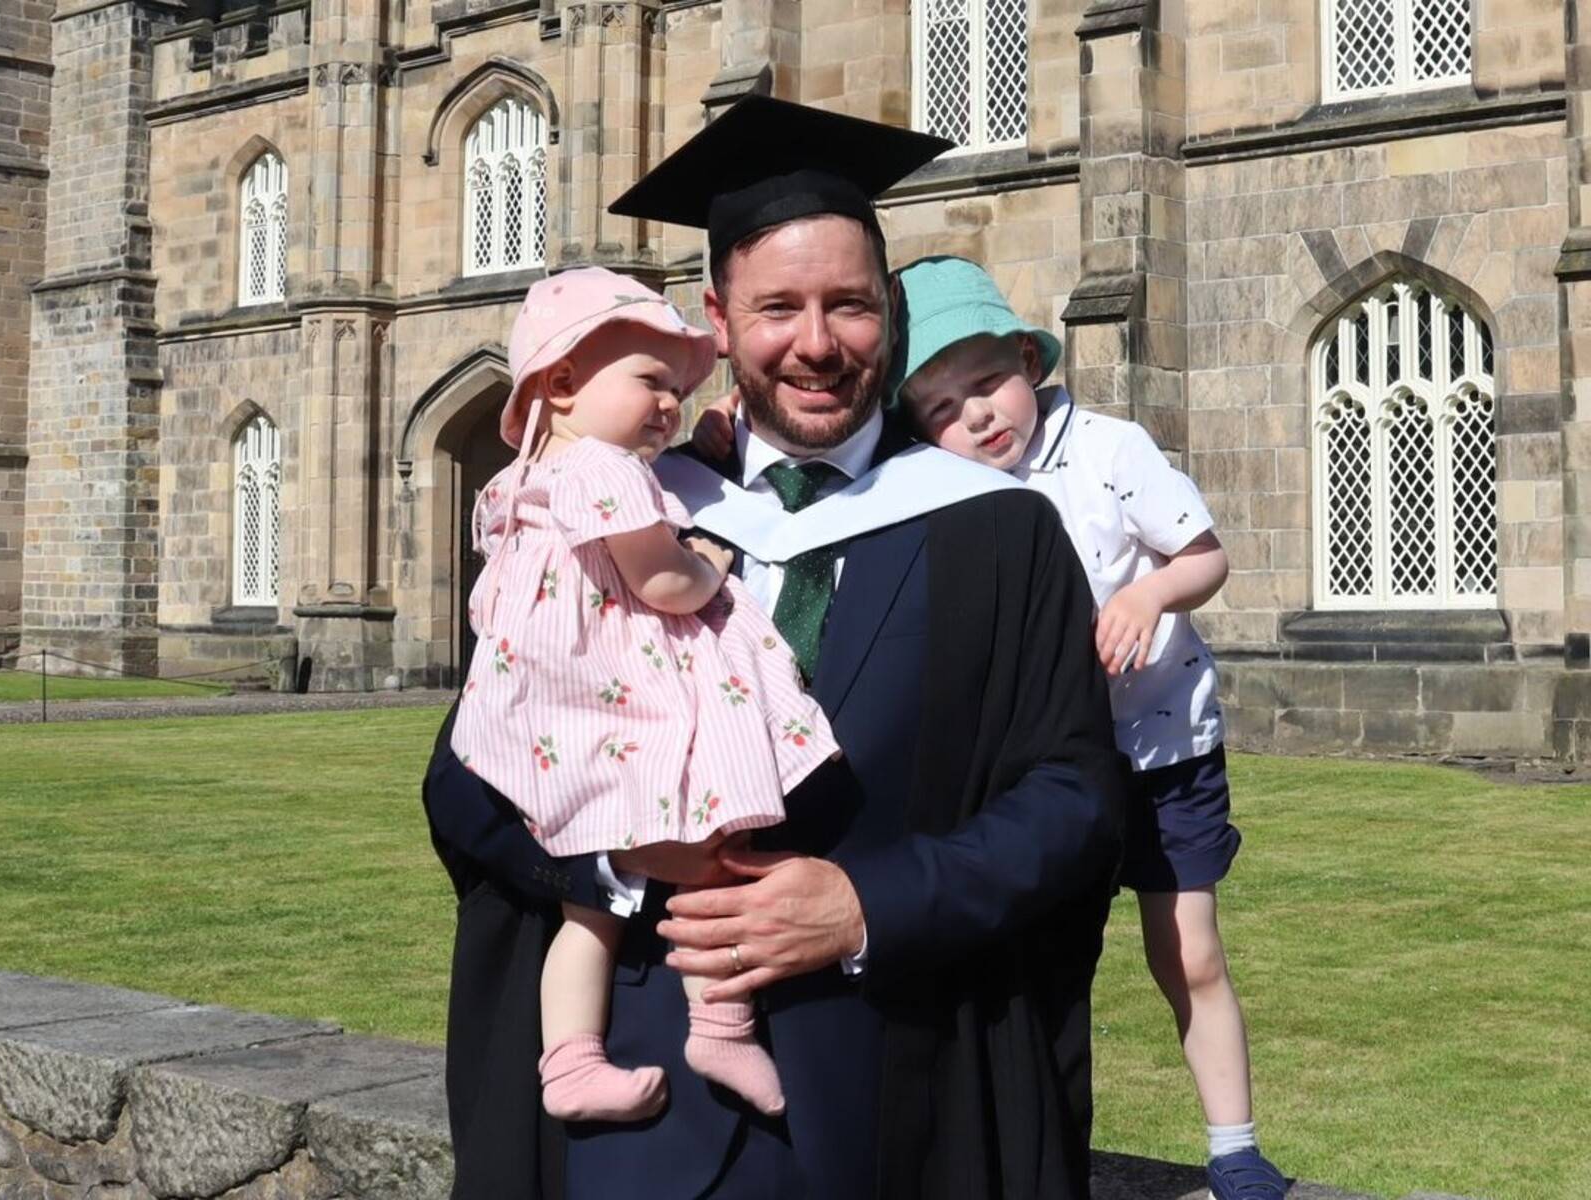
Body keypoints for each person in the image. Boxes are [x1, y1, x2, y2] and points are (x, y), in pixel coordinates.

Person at [422, 97, 1128, 1200]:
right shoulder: (607, 514)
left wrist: (864, 907)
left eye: (847, 305)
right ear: (713, 317)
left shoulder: (994, 529)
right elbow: (465, 773)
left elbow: (1076, 798)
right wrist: (608, 860)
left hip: (894, 1093)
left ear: (886, 315)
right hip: (635, 1108)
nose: (815, 342)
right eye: (777, 308)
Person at [880, 256, 1287, 1200]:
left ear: (1028, 358)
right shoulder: (944, 484)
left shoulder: (1110, 447)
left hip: (1162, 754)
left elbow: (1206, 555)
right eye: (942, 406)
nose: (976, 417)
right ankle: (1049, 1154)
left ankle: (1235, 1147)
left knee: (1186, 950)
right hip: (1053, 771)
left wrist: (1148, 592)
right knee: (1047, 969)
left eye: (986, 383)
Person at [450, 266, 838, 1125]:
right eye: (651, 381)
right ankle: (722, 1020)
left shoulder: (521, 481)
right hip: (620, 706)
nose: (668, 404)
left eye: (680, 387)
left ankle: (572, 1061)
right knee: (717, 845)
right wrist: (710, 567)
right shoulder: (609, 469)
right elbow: (661, 582)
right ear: (560, 384)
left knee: (588, 907)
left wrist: (698, 435)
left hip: (543, 716)